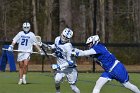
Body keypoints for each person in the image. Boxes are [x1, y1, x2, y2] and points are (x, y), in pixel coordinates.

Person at [72, 35, 140, 93]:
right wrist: (74, 50)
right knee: (98, 84)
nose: (89, 45)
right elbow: (85, 53)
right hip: (108, 71)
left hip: (116, 68)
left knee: (127, 85)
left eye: (90, 43)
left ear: (94, 42)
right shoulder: (97, 49)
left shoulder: (98, 47)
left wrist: (75, 52)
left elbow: (85, 53)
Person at [47, 28, 80, 93]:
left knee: (73, 87)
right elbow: (56, 46)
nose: (64, 38)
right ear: (62, 34)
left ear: (69, 38)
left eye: (66, 37)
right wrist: (50, 46)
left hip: (70, 69)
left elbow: (70, 62)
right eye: (63, 36)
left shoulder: (68, 46)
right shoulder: (57, 39)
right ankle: (58, 92)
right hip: (61, 68)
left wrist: (58, 66)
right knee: (57, 80)